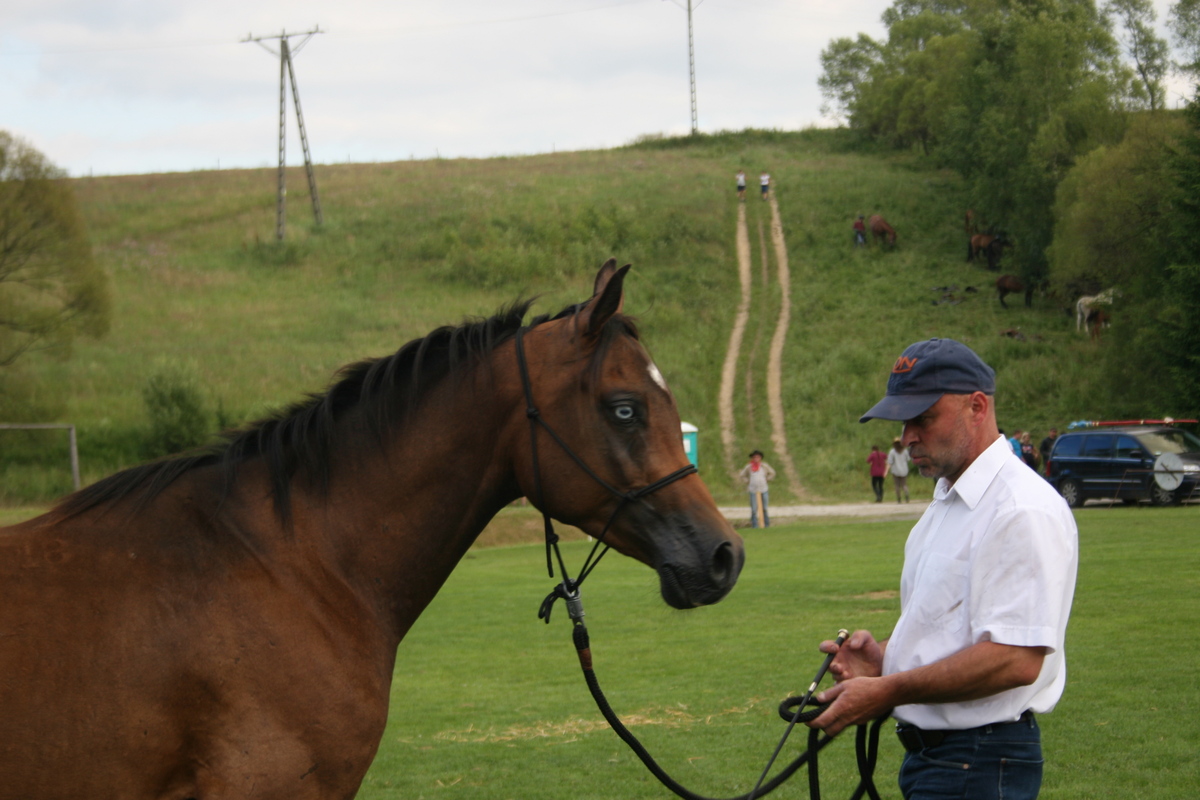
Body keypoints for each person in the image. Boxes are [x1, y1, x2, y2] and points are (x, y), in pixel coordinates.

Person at [809, 338, 1078, 800]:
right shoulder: (950, 500)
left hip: (978, 760)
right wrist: (886, 657)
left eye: (923, 418)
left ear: (976, 406)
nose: (908, 436)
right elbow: (955, 628)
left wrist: (889, 689)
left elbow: (1015, 659)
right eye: (904, 421)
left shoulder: (1020, 509)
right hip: (949, 761)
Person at [738, 449, 776, 527]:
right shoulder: (749, 467)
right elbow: (742, 475)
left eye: (758, 457)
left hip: (763, 489)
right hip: (753, 490)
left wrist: (767, 479)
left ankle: (766, 524)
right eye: (754, 457)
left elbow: (772, 473)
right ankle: (755, 525)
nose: (756, 459)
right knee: (754, 509)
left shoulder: (764, 466)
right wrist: (747, 481)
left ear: (760, 458)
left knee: (764, 508)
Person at [886, 436, 912, 502]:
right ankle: (907, 496)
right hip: (904, 470)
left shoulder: (892, 452)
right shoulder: (905, 451)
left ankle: (899, 499)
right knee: (904, 485)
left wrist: (887, 470)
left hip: (895, 471)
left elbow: (890, 461)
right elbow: (908, 459)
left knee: (897, 485)